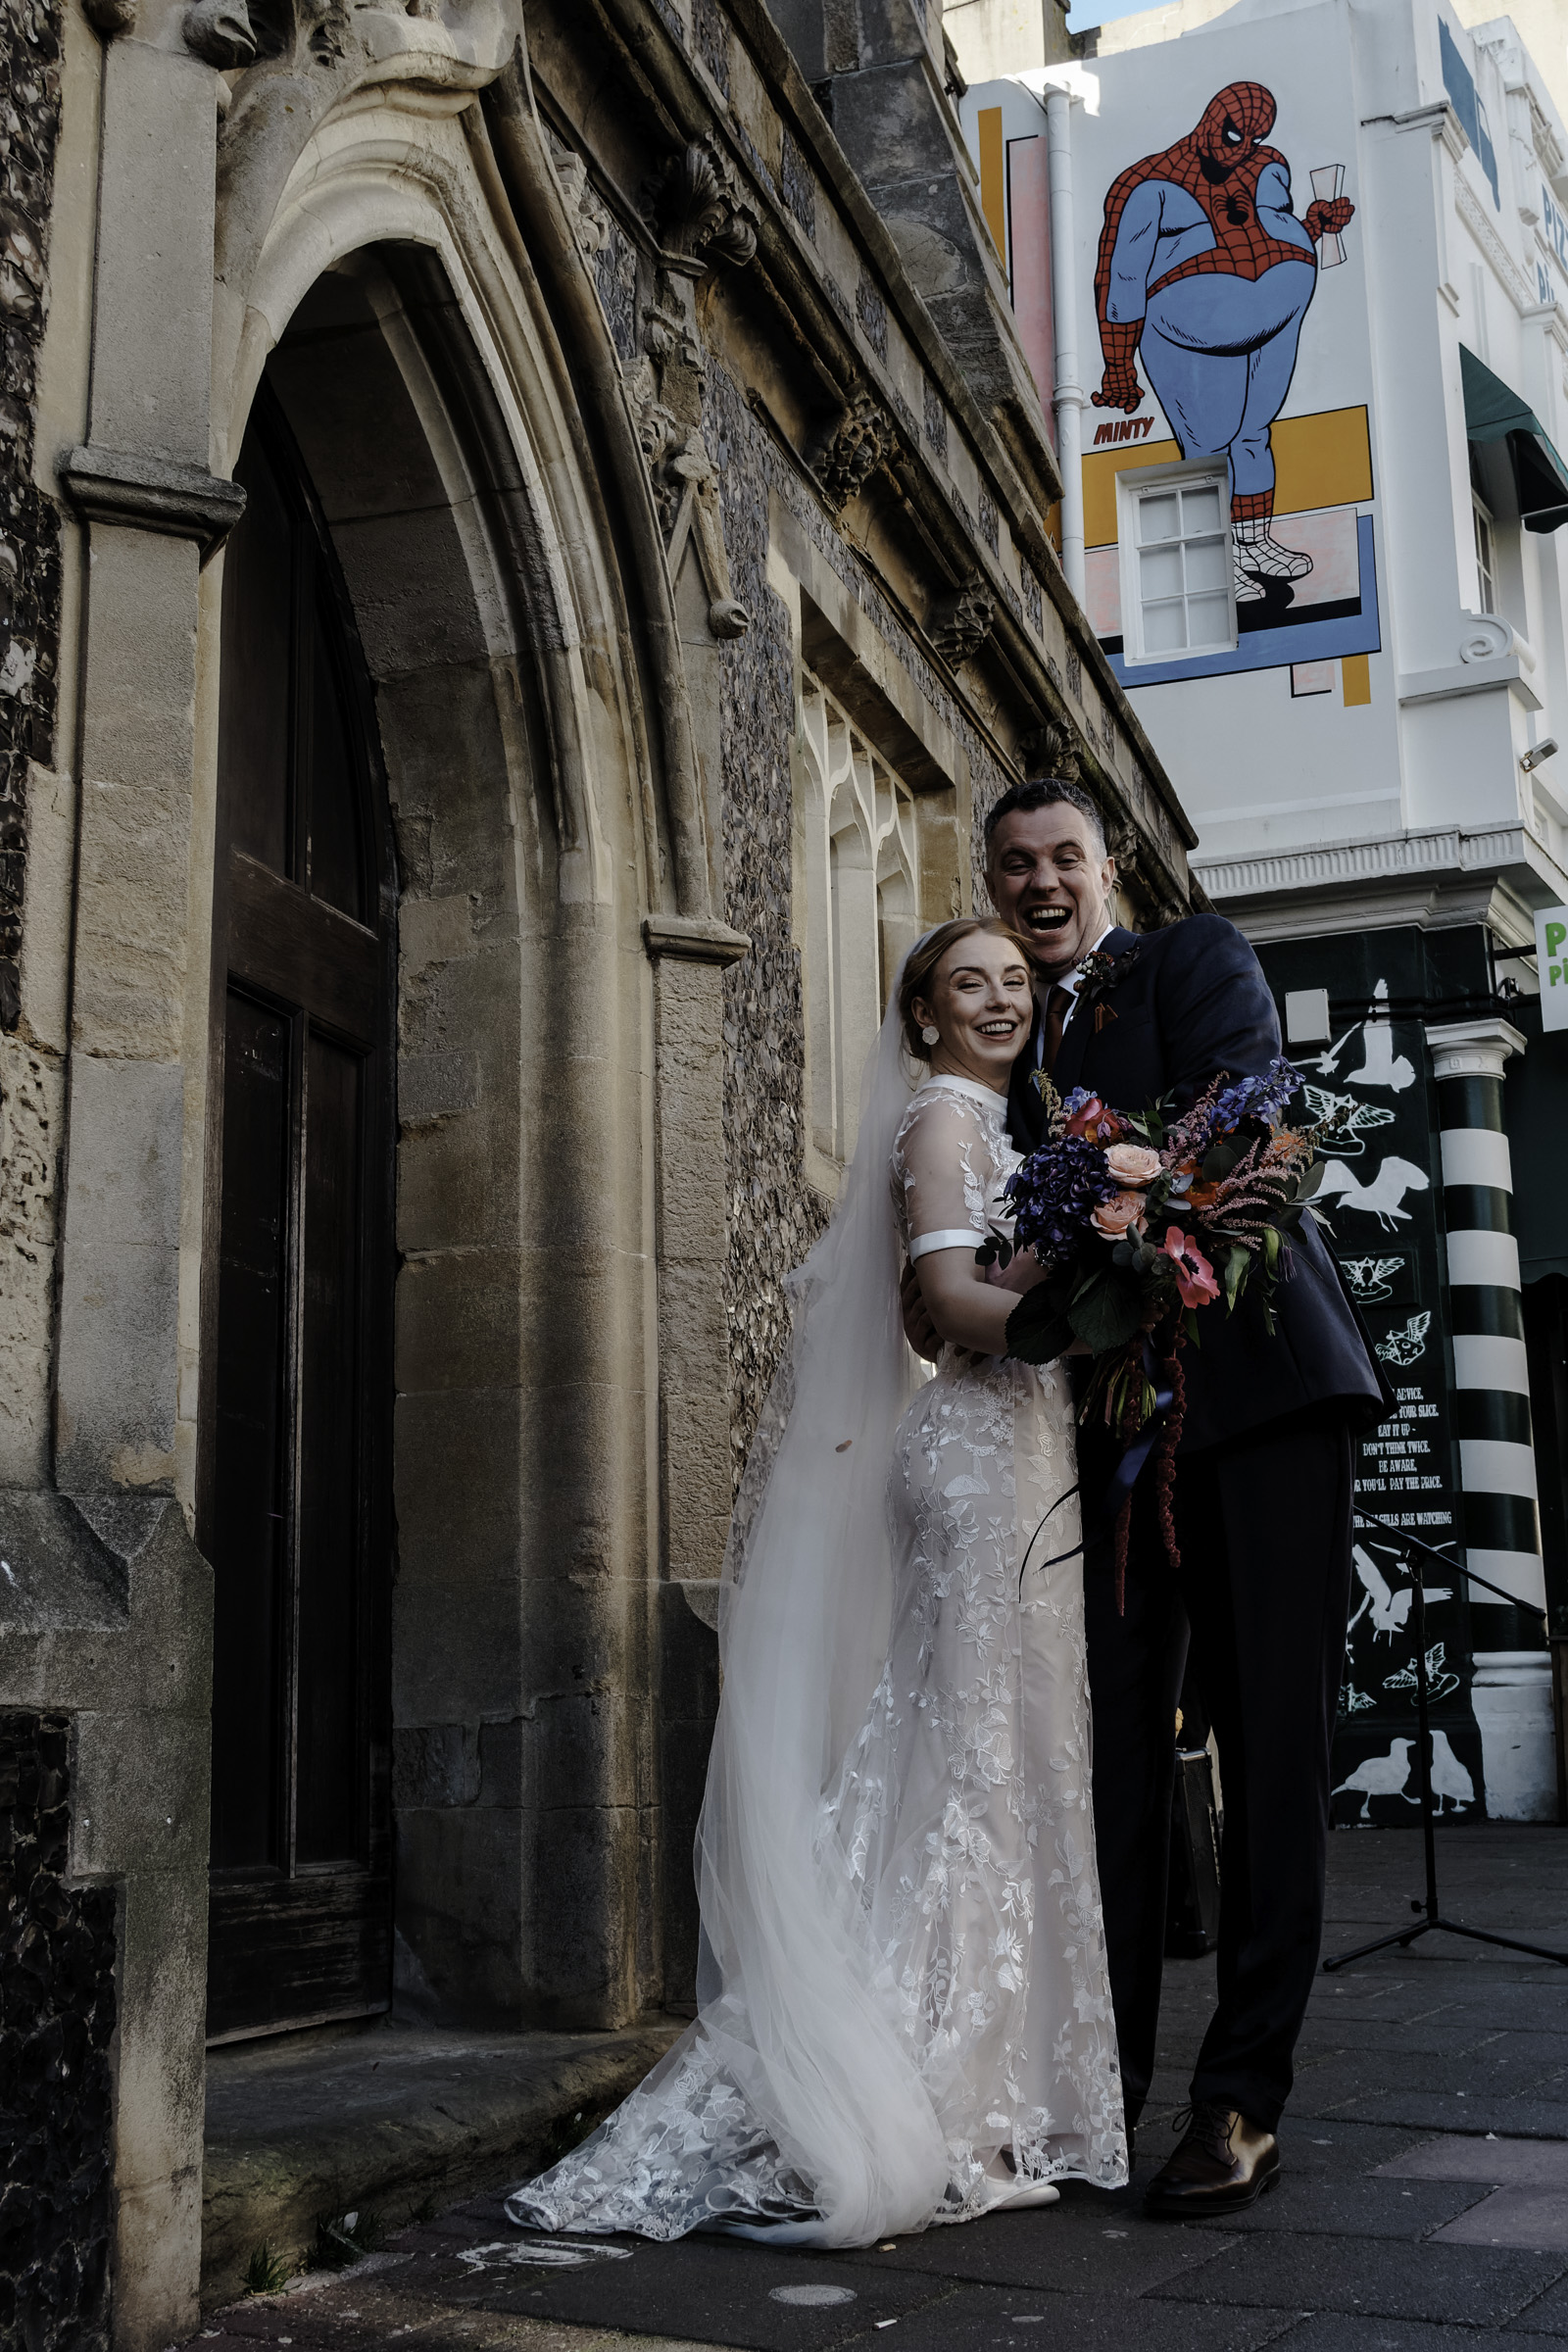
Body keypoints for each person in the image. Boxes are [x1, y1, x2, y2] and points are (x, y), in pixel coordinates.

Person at [506, 919, 1127, 2246]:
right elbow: (952, 1301)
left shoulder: (1020, 1129)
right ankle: (901, 2078)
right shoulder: (939, 1128)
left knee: (1010, 1759)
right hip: (971, 1457)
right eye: (972, 984)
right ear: (922, 1013)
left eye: (1017, 982)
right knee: (965, 1769)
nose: (1002, 1001)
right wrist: (1094, 1271)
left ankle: (993, 2080)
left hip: (1023, 1453)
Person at [927, 776, 1391, 2218]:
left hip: (1261, 1404)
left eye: (1063, 858)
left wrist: (1105, 1202)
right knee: (1107, 1772)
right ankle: (1099, 2092)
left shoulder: (1191, 958)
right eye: (1016, 867)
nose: (1041, 884)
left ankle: (1242, 2099)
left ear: (1107, 866)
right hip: (1108, 1445)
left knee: (1269, 1759)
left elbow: (1243, 1121)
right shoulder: (1007, 1048)